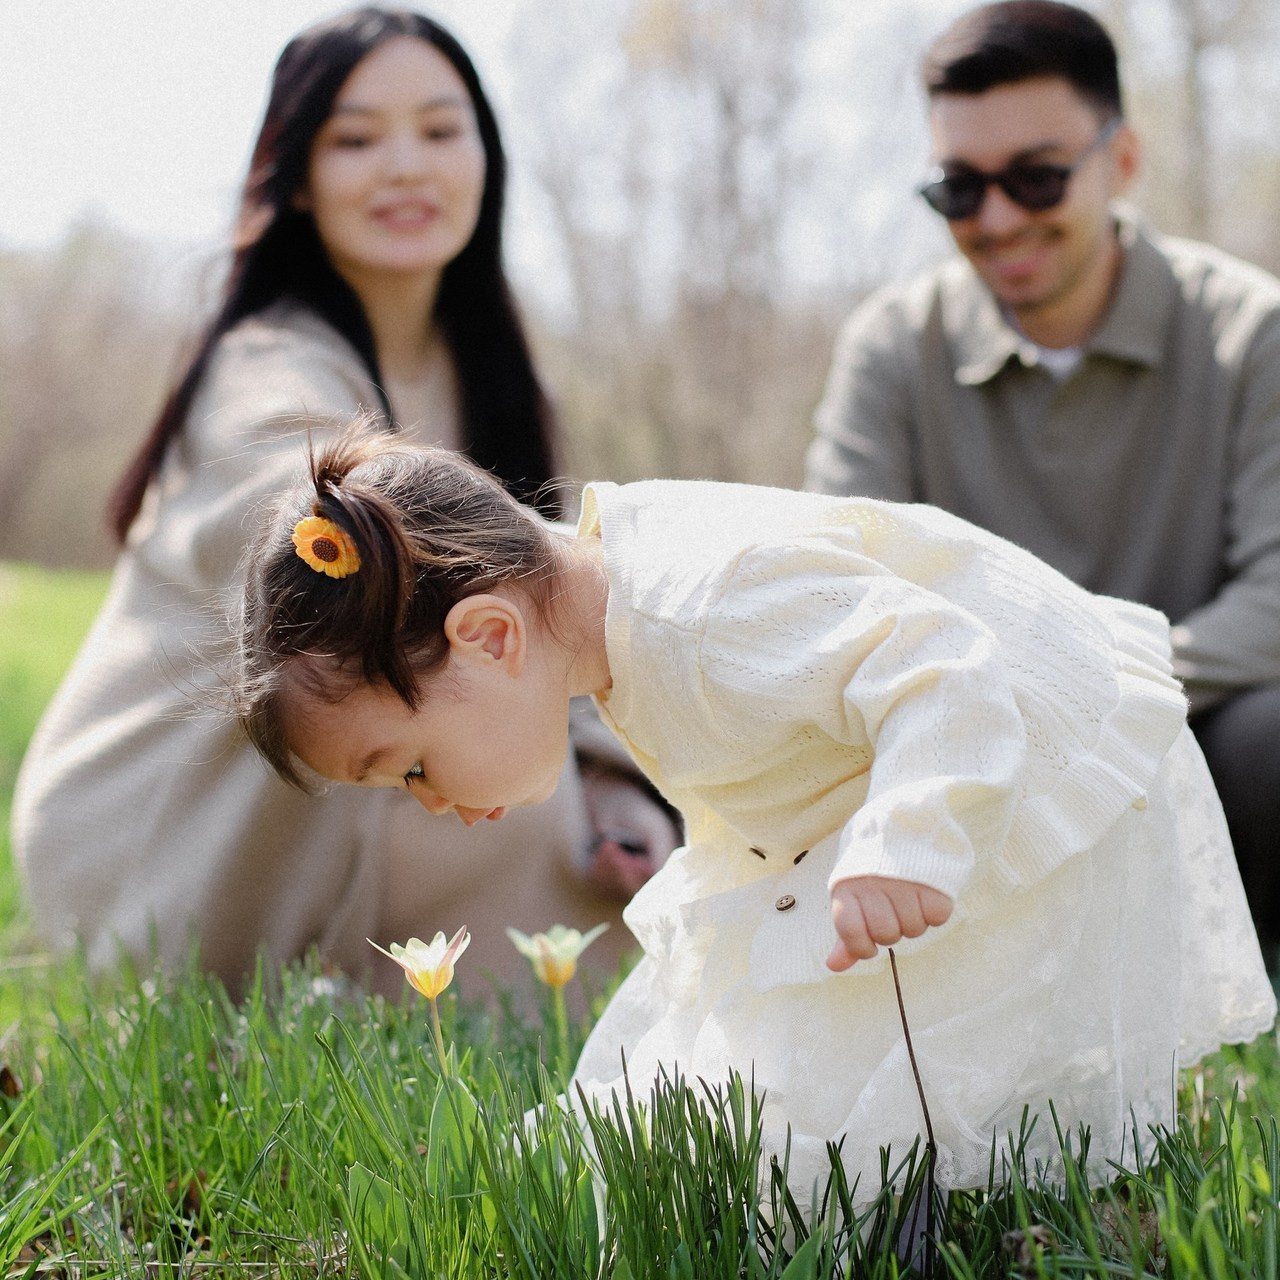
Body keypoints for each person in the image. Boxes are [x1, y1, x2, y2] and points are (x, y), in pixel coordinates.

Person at [232, 427, 1273, 1200]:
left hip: (1006, 770)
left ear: (490, 637)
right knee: (718, 1088)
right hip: (889, 794)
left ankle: (985, 1203)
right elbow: (763, 736)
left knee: (884, 1132)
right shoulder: (602, 612)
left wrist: (906, 833)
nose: (436, 804)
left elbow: (939, 664)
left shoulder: (699, 608)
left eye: (411, 765)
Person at [10, 6, 678, 999]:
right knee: (528, 808)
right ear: (299, 180)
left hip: (371, 753)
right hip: (177, 821)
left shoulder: (486, 376)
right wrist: (680, 582)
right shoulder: (264, 362)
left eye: (440, 130)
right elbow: (359, 539)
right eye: (356, 138)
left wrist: (619, 777)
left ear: (484, 160)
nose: (405, 165)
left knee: (595, 815)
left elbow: (539, 617)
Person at [803, 0, 1280, 963]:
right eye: (960, 190)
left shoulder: (1250, 333)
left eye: (1037, 177)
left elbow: (1276, 601)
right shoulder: (891, 354)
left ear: (1125, 161)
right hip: (970, 754)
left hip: (1196, 732)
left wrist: (1092, 694)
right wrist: (983, 718)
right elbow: (832, 597)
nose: (1001, 218)